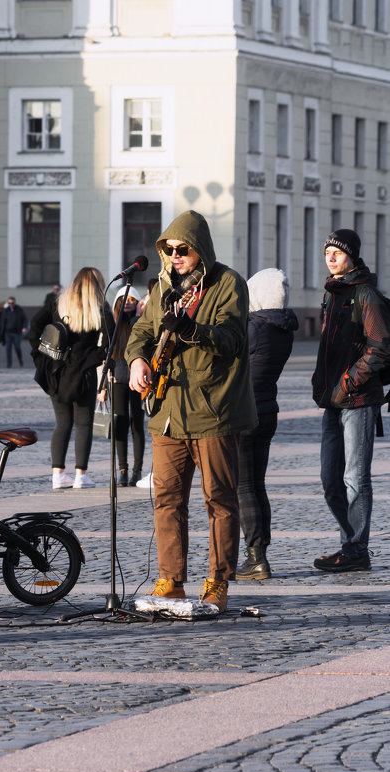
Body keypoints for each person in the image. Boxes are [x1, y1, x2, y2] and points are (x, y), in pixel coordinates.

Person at [126, 210, 257, 611]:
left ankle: (218, 581)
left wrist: (191, 330)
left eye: (183, 249)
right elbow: (142, 332)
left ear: (200, 250)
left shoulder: (227, 283)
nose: (175, 256)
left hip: (213, 410)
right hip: (167, 411)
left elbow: (232, 339)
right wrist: (136, 360)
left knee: (219, 498)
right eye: (169, 249)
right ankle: (171, 579)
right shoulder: (164, 285)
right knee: (167, 498)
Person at [312, 229, 390, 572]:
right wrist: (327, 387)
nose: (331, 256)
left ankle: (356, 550)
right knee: (331, 481)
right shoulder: (333, 292)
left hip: (358, 401)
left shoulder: (365, 294)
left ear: (352, 257)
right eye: (328, 250)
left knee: (355, 478)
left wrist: (348, 382)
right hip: (333, 400)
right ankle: (350, 543)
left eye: (338, 252)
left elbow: (381, 346)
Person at [236, 269, 298, 580]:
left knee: (243, 486)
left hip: (245, 412)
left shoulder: (253, 328)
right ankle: (260, 552)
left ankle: (255, 556)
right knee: (256, 485)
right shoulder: (282, 328)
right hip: (268, 411)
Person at [30, 267, 115, 490]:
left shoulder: (59, 303)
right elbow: (110, 342)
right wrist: (95, 359)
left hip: (57, 370)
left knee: (62, 424)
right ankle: (80, 475)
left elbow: (35, 326)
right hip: (84, 372)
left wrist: (43, 353)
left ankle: (57, 475)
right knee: (83, 424)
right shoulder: (100, 307)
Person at [103, 286, 145, 487]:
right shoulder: (112, 325)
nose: (127, 302)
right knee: (120, 425)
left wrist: (139, 315)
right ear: (117, 303)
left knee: (137, 424)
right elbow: (106, 356)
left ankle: (137, 470)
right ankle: (122, 469)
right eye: (124, 299)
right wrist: (102, 387)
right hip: (118, 379)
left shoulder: (140, 323)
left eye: (132, 299)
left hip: (138, 380)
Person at [0, 296, 28, 367]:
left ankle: (20, 359)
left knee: (17, 347)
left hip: (17, 333)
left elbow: (25, 319)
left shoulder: (19, 310)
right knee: (8, 348)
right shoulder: (6, 310)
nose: (11, 304)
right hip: (8, 333)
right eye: (9, 303)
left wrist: (24, 327)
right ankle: (9, 364)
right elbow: (1, 322)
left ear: (14, 302)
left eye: (12, 303)